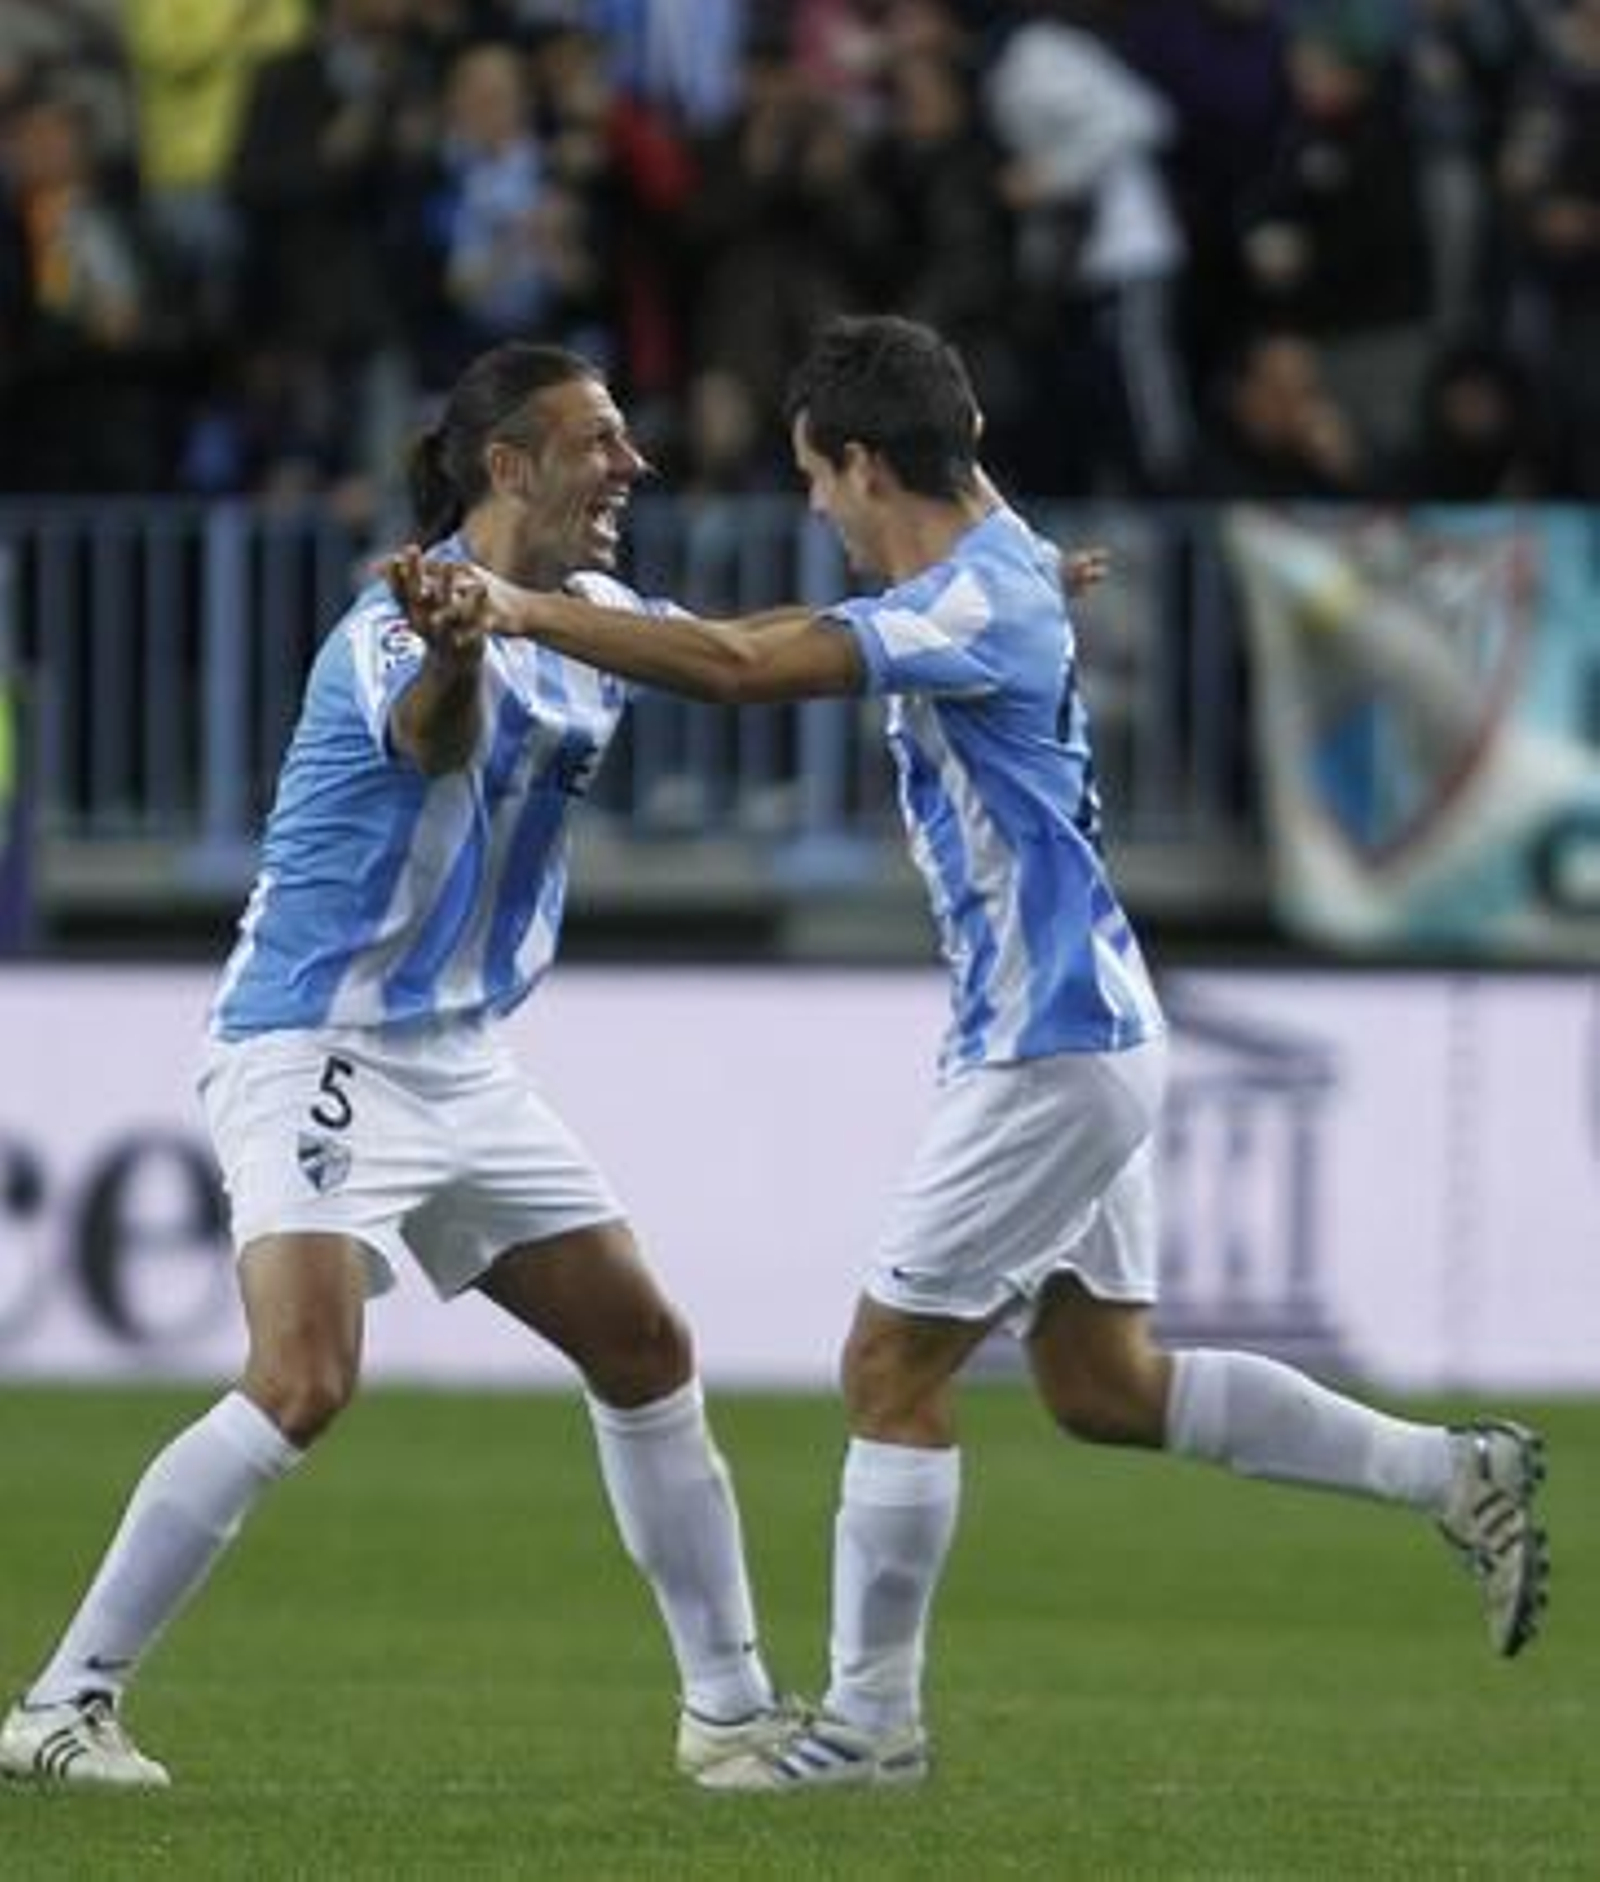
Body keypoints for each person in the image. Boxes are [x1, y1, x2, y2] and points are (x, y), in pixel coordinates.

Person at [392, 314, 1552, 1792]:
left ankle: (870, 1728)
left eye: (820, 479)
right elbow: (971, 534)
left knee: (887, 1365)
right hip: (1095, 1023)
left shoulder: (967, 607)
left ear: (869, 464)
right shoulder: (994, 565)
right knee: (1102, 1383)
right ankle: (1453, 1472)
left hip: (1046, 1043)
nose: (816, 509)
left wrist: (518, 606)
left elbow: (744, 665)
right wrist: (1028, 573)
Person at [0, 342, 793, 1789]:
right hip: (318, 1033)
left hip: (458, 1058)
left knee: (646, 1348)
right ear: (510, 467)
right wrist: (457, 648)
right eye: (601, 440)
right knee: (303, 1377)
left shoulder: (596, 611)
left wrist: (942, 615)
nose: (634, 465)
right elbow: (434, 744)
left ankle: (732, 1714)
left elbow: (743, 656)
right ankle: (63, 1701)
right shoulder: (395, 619)